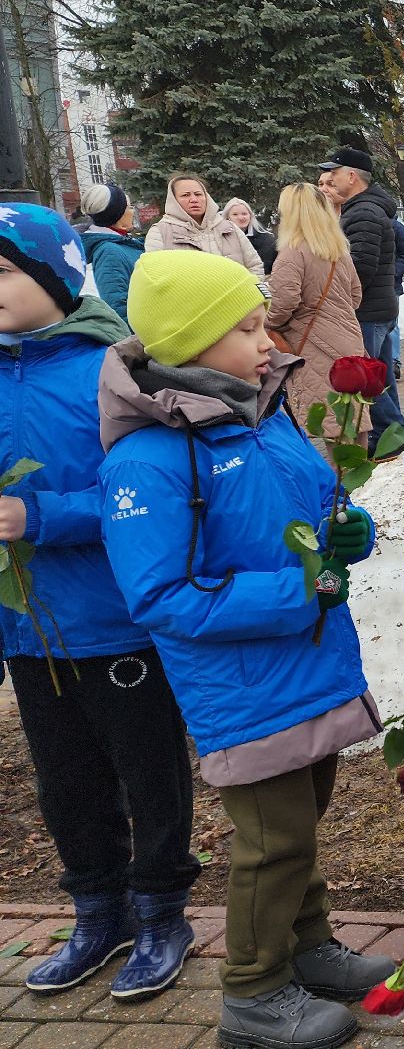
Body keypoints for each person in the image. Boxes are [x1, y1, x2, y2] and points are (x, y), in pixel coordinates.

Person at [99, 249, 395, 1049]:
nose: (268, 340)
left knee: (302, 824)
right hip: (244, 686)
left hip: (310, 665)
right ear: (191, 345)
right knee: (272, 842)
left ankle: (306, 945)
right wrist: (302, 590)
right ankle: (253, 993)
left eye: (263, 321)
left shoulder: (266, 415)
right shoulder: (149, 460)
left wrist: (343, 535)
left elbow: (301, 516)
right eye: (247, 327)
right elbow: (160, 596)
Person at [0, 205, 201, 1003]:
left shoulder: (108, 370)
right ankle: (97, 908)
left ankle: (160, 911)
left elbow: (146, 491)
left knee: (147, 772)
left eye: (5, 270)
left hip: (117, 620)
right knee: (65, 779)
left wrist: (41, 516)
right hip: (28, 626)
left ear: (54, 276)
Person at [318, 146, 404, 448]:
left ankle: (395, 433)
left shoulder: (363, 212)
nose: (329, 181)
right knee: (379, 378)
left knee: (364, 379)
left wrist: (334, 297)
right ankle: (391, 433)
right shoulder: (363, 209)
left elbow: (360, 267)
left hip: (367, 311)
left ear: (350, 176)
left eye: (332, 174)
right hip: (376, 308)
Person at [264, 183, 364, 438]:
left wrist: (266, 320)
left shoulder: (292, 253)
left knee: (333, 425)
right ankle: (358, 477)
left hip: (314, 346)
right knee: (354, 420)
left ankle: (338, 480)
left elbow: (282, 304)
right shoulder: (338, 251)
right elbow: (355, 296)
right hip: (348, 340)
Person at [144, 173, 265, 280]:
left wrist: (251, 297)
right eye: (185, 195)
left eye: (198, 194)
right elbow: (155, 276)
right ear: (174, 200)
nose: (194, 199)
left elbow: (254, 266)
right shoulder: (160, 232)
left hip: (237, 302)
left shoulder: (229, 228)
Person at [76, 183, 143, 320]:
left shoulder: (122, 243)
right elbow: (117, 306)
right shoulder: (109, 251)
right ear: (117, 213)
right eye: (129, 207)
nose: (132, 212)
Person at [224, 198, 278, 275]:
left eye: (244, 214)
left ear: (250, 215)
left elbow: (267, 268)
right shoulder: (220, 237)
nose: (241, 217)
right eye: (235, 214)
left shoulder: (266, 240)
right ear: (227, 217)